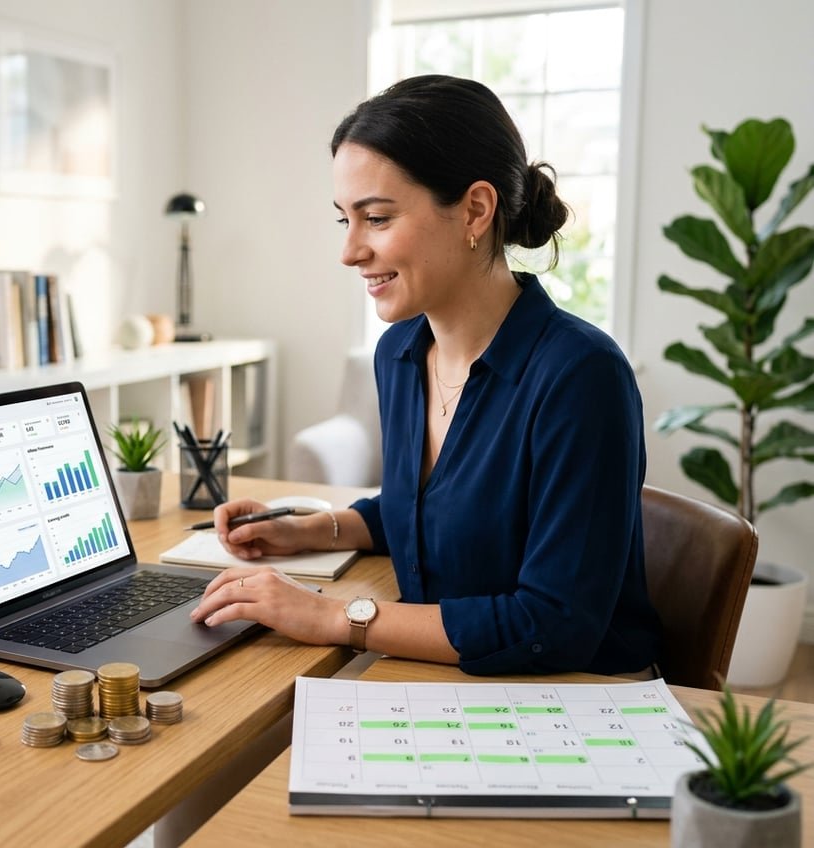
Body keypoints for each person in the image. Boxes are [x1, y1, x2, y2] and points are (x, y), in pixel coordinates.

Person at [189, 75, 661, 677]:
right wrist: (307, 529)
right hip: (448, 670)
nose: (351, 251)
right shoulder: (401, 354)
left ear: (475, 210)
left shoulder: (581, 375)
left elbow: (554, 625)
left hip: (573, 697)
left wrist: (334, 616)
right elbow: (429, 512)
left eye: (377, 218)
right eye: (345, 221)